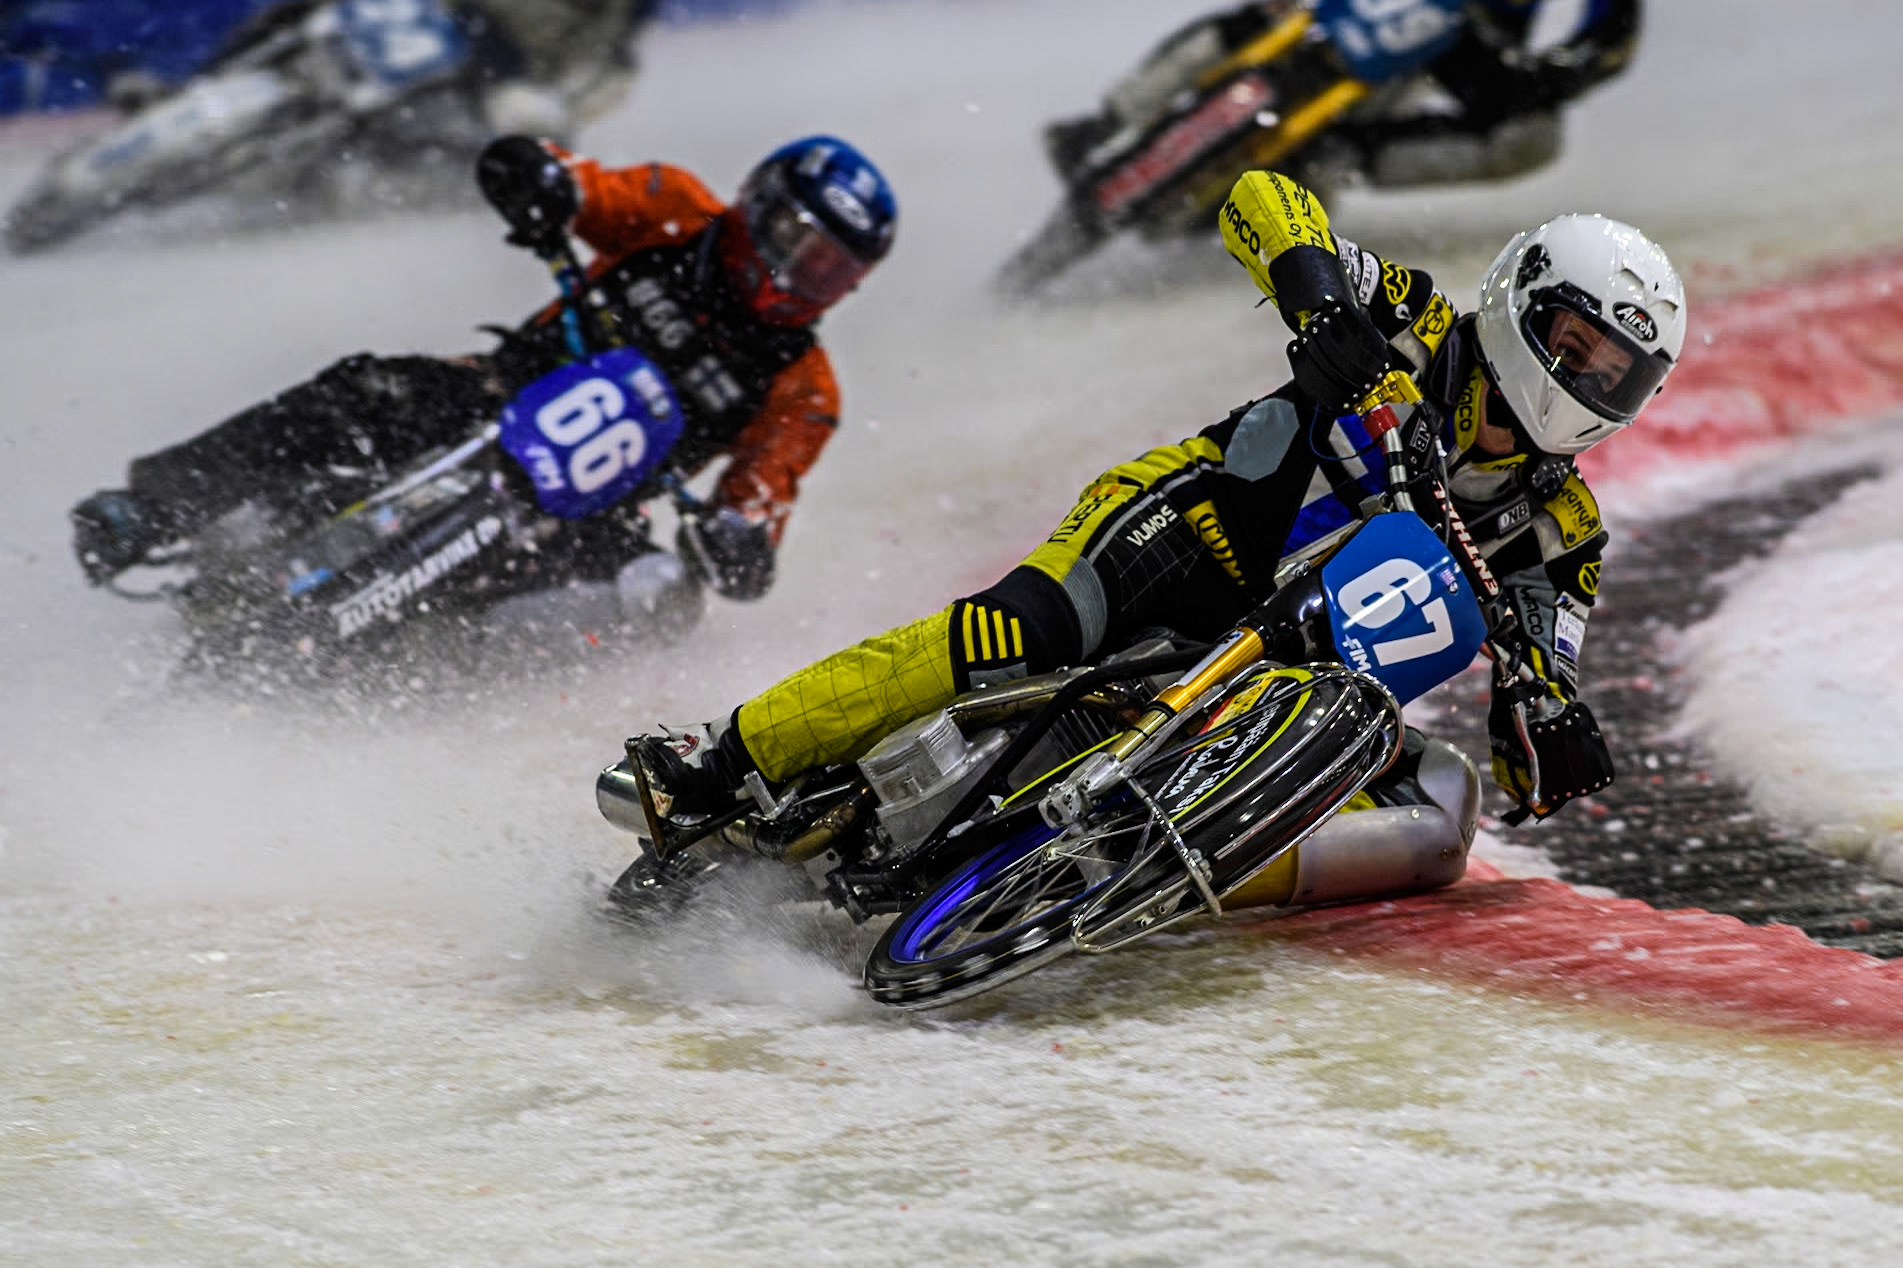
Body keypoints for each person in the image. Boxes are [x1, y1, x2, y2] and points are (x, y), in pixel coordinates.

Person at [627, 167, 1684, 859]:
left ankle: (1125, 873)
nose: (1584, 381)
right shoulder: (1414, 318)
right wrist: (1319, 301)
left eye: (1615, 374)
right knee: (1010, 631)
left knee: (1428, 802)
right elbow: (1263, 196)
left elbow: (1537, 696)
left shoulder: (1567, 532)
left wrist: (1549, 727)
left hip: (1289, 670)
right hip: (1189, 528)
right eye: (1574, 343)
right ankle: (717, 761)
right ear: (1517, 303)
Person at [70, 133, 898, 632]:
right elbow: (578, 182)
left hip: (591, 512)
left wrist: (736, 542)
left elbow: (760, 505)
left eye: (826, 267)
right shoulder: (677, 212)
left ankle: (431, 674)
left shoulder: (805, 388)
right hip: (493, 393)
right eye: (793, 238)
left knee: (658, 602)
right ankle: (152, 508)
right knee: (363, 392)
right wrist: (538, 179)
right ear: (755, 203)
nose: (795, 272)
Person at [1044, 0, 1642, 191]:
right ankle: (1108, 119)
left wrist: (1554, 74)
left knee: (1531, 137)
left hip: (1460, 39)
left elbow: (1611, 41)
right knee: (1267, 16)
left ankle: (1338, 156)